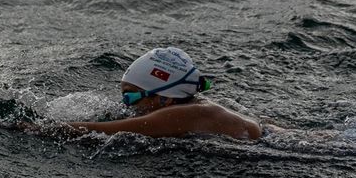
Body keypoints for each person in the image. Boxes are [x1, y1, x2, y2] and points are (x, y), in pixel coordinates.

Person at [17, 47, 262, 140]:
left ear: (163, 97)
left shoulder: (185, 114)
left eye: (131, 96)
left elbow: (98, 130)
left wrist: (19, 127)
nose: (127, 105)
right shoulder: (203, 107)